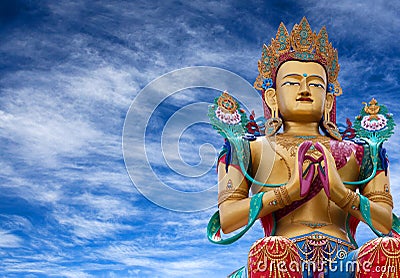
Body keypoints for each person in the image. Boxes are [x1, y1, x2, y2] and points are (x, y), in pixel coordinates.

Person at [208, 17, 400, 277]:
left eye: (316, 84)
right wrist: (289, 192)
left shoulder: (363, 152)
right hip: (281, 256)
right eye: (292, 82)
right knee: (272, 250)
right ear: (272, 96)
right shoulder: (248, 149)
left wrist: (343, 195)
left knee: (390, 250)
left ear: (329, 100)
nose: (304, 89)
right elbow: (228, 220)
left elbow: (386, 223)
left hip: (346, 262)